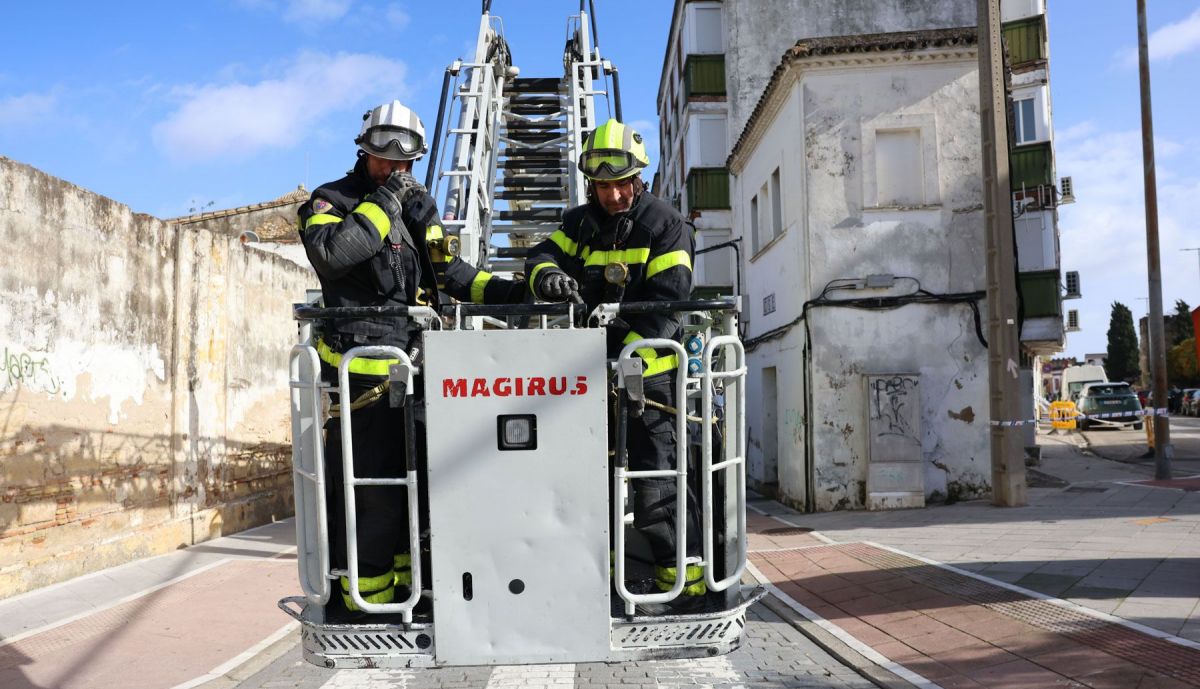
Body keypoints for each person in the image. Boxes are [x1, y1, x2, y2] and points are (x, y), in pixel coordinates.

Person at [298, 100, 526, 617]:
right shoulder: (331, 199)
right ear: (365, 150)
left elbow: (452, 274)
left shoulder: (417, 207)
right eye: (385, 158)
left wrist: (515, 293)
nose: (394, 168)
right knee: (374, 496)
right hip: (365, 383)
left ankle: (408, 591)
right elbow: (333, 255)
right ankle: (367, 603)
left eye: (404, 162)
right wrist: (386, 201)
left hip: (420, 375)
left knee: (419, 489)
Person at [524, 118, 703, 611]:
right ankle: (596, 584)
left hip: (649, 380)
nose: (614, 195)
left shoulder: (666, 225)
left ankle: (685, 585)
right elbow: (538, 257)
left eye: (622, 184)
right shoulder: (579, 224)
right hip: (589, 382)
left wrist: (627, 366)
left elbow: (667, 309)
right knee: (586, 484)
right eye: (603, 186)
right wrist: (549, 277)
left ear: (637, 178)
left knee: (656, 484)